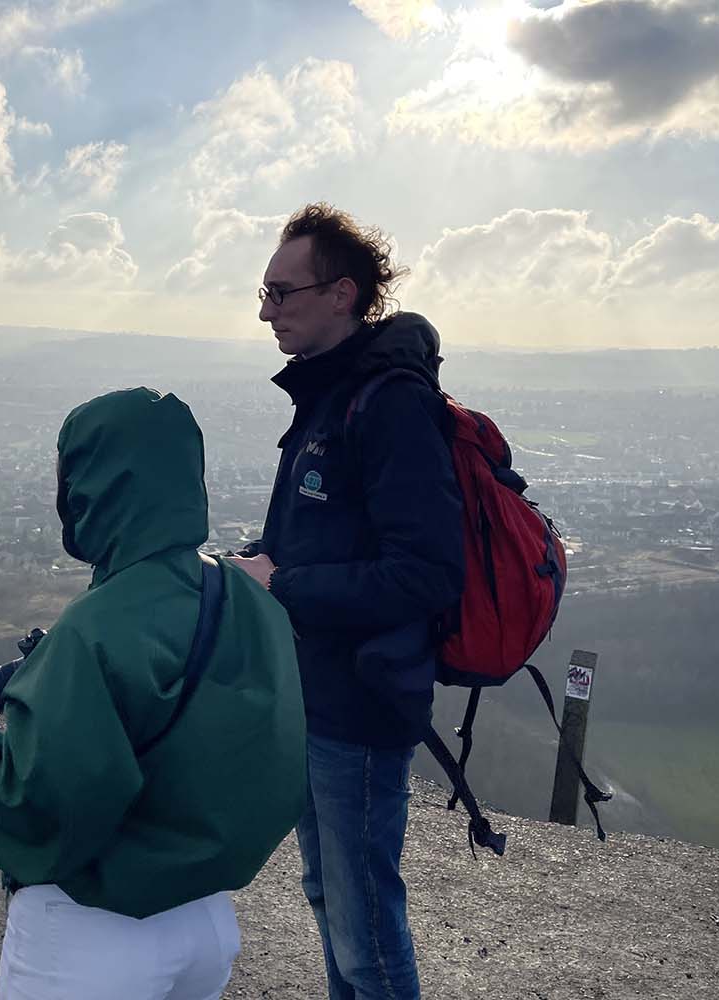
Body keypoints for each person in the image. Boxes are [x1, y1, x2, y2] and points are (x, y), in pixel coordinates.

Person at [0, 387, 307, 1000]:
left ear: (90, 486)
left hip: (89, 933)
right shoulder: (245, 600)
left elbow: (39, 811)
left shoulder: (94, 630)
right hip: (207, 921)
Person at [228, 203, 465, 1000]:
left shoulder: (388, 403)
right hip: (315, 696)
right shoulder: (329, 397)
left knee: (364, 926)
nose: (267, 311)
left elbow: (427, 573)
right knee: (332, 898)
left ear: (342, 294)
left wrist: (283, 583)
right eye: (262, 293)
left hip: (360, 708)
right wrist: (267, 564)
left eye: (281, 292)